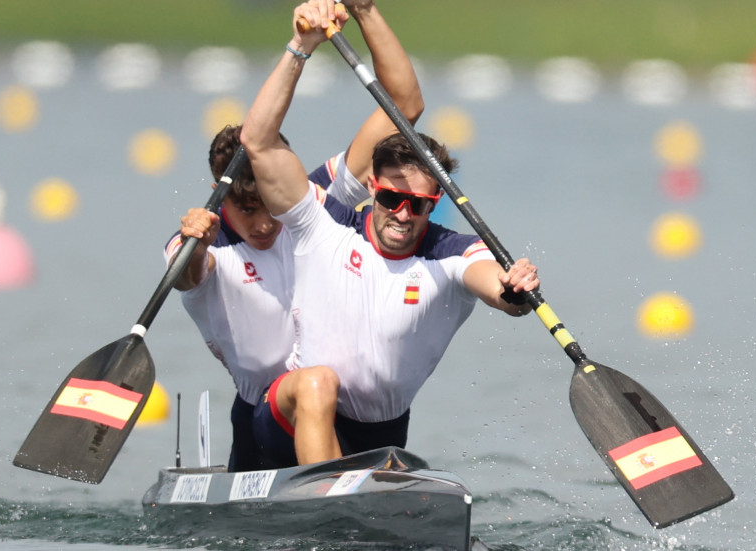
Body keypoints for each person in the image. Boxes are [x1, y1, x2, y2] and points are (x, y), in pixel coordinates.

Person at [240, 1, 542, 466]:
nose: (402, 214)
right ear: (370, 189)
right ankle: (332, 506)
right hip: (289, 417)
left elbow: (496, 288)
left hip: (378, 437)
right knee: (319, 382)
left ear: (435, 203)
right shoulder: (322, 219)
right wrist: (301, 47)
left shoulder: (451, 254)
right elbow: (257, 141)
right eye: (389, 200)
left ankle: (343, 501)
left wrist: (514, 290)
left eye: (418, 205)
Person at [164, 0, 425, 471]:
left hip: (355, 416)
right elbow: (185, 278)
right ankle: (332, 503)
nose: (265, 224)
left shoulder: (312, 202)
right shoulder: (205, 240)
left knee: (324, 383)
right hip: (269, 422)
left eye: (271, 208)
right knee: (314, 381)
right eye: (246, 211)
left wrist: (365, 11)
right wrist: (195, 242)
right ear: (219, 201)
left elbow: (404, 107)